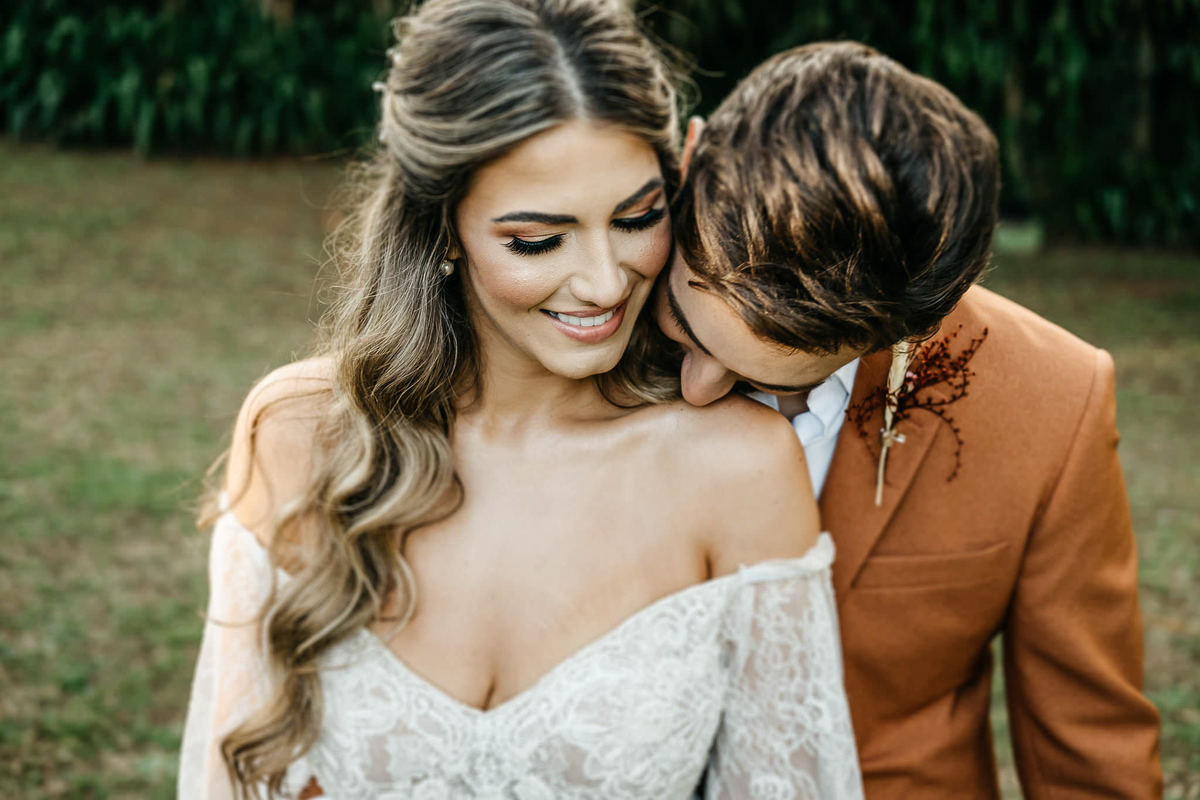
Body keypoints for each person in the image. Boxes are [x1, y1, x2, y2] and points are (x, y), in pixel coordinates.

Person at [177, 2, 863, 798]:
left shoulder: (737, 469)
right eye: (538, 240)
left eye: (638, 217)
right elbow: (230, 774)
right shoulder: (298, 433)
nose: (603, 282)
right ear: (441, 226)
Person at [657, 41, 1163, 798]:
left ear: (903, 333)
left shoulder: (1055, 400)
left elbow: (1091, 755)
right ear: (691, 158)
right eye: (681, 325)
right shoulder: (569, 321)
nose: (696, 390)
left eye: (767, 377)